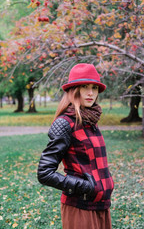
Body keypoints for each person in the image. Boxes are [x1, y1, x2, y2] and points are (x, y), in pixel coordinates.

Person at [37, 63, 114, 229]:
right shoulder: (64, 124)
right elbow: (44, 172)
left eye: (94, 87)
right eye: (85, 87)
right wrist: (84, 187)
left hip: (101, 205)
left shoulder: (90, 121)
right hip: (80, 207)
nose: (91, 93)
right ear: (74, 90)